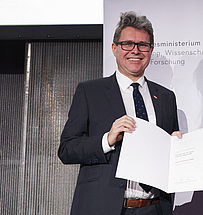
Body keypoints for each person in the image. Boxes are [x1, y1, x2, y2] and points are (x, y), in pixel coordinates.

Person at [58, 11, 181, 215]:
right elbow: (67, 149)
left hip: (155, 208)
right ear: (115, 48)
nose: (136, 51)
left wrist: (177, 146)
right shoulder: (90, 91)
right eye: (128, 44)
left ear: (150, 50)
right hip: (104, 207)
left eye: (143, 45)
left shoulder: (167, 97)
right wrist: (107, 139)